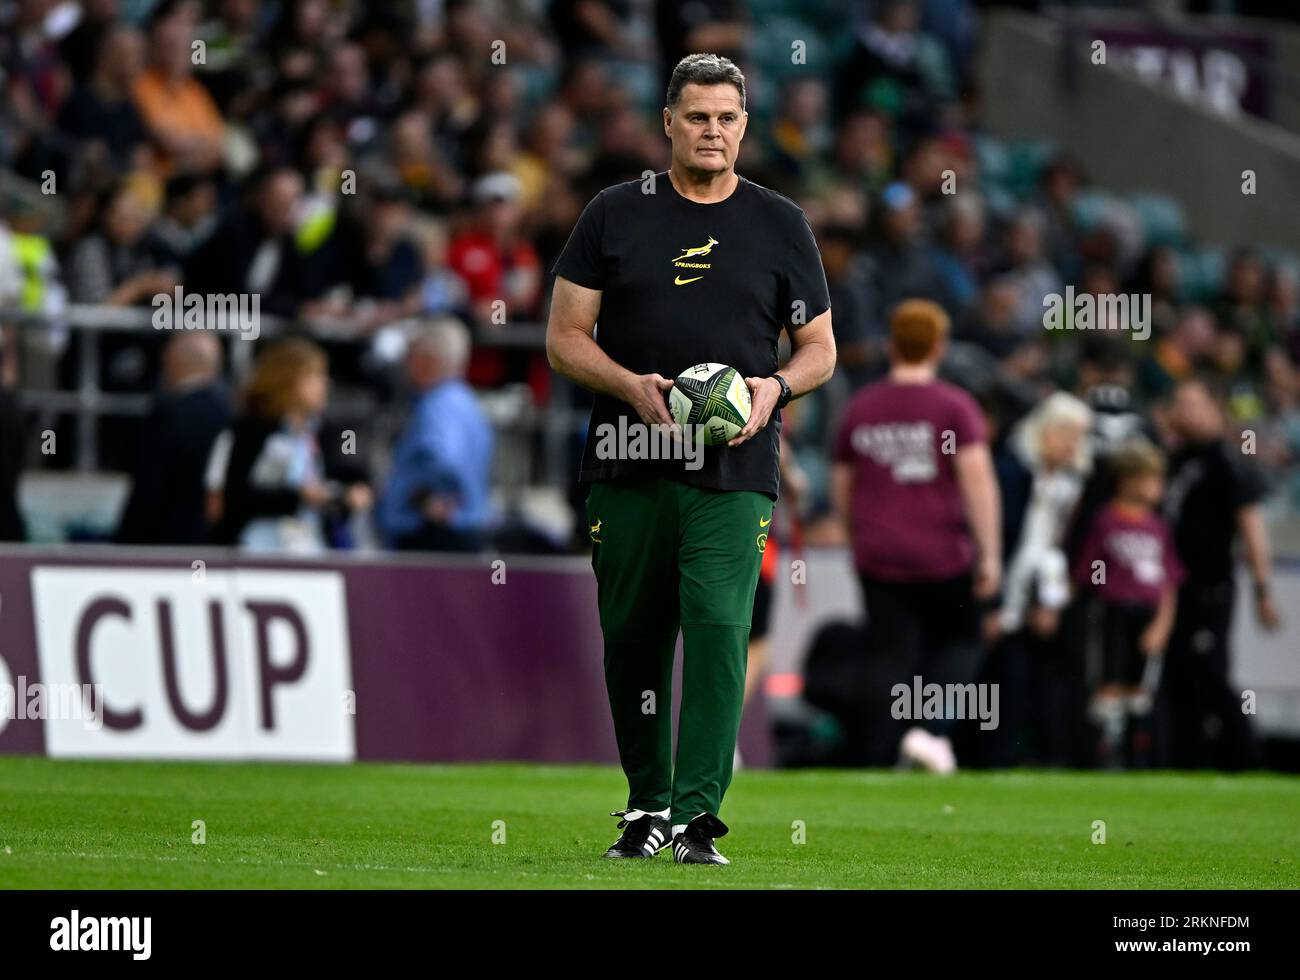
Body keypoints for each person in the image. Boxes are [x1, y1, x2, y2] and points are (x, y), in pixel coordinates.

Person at [545, 54, 836, 864]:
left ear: (746, 126)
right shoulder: (613, 213)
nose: (713, 131)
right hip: (627, 455)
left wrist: (775, 390)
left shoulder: (781, 223)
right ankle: (645, 807)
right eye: (698, 117)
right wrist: (630, 387)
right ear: (668, 122)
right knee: (633, 638)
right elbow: (564, 338)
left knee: (719, 628)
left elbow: (820, 349)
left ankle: (697, 819)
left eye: (728, 118)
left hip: (735, 468)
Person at [830, 298, 1000, 774]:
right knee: (961, 642)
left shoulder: (861, 407)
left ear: (891, 345)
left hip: (879, 554)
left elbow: (844, 484)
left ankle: (879, 753)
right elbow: (978, 483)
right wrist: (990, 556)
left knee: (888, 656)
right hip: (942, 552)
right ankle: (929, 731)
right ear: (939, 347)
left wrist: (856, 536)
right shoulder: (955, 406)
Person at [1159, 378, 1280, 769]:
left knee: (1210, 672)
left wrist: (1263, 589)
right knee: (1180, 674)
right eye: (1179, 403)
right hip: (1174, 589)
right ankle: (1189, 759)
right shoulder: (1175, 460)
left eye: (1193, 403)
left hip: (1210, 585)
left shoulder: (1227, 461)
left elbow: (1251, 527)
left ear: (1215, 408)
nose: (1183, 411)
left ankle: (1247, 757)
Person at [978, 392, 1091, 766]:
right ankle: (986, 762)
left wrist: (1049, 601)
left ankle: (1027, 761)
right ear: (1047, 432)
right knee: (998, 685)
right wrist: (993, 605)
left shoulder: (1066, 482)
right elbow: (1003, 539)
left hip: (1031, 598)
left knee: (1031, 685)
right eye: (1070, 435)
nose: (1076, 446)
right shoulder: (1013, 471)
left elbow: (1054, 549)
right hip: (1002, 595)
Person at [1072, 440, 1183, 768]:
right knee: (1108, 682)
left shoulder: (1158, 527)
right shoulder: (1106, 521)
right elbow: (1088, 570)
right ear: (1126, 480)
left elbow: (1168, 581)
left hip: (1146, 614)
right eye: (1148, 479)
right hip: (1112, 611)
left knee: (1140, 689)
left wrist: (1163, 624)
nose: (1155, 488)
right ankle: (1106, 751)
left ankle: (1139, 755)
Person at [206, 337, 371, 553]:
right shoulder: (249, 431)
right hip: (254, 551)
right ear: (288, 380)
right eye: (315, 376)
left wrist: (352, 492)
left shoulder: (325, 432)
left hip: (312, 550)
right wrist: (299, 497)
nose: (325, 384)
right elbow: (233, 498)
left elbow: (343, 473)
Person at [377, 319, 495, 552]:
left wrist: (424, 501)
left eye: (412, 355)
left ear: (426, 359)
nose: (407, 363)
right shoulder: (468, 402)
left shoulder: (436, 406)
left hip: (433, 535)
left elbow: (443, 459)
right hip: (463, 529)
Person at [115, 333, 232, 545]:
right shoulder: (230, 417)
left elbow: (147, 490)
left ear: (170, 362)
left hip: (162, 548)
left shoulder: (167, 416)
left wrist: (124, 545)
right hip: (212, 547)